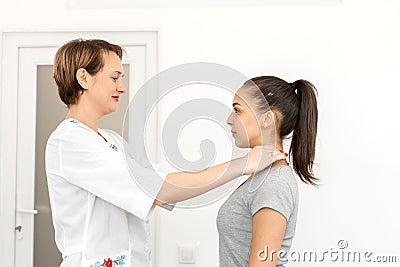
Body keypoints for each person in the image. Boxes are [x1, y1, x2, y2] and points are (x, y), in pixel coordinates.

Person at [45, 39, 285, 267]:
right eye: (115, 77)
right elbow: (159, 189)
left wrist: (245, 163)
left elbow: (161, 180)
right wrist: (244, 163)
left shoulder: (111, 141)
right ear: (84, 78)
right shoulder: (69, 142)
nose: (122, 87)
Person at [217, 76, 319, 267]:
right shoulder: (263, 176)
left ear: (267, 119)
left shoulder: (274, 183)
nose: (229, 120)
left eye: (237, 110)